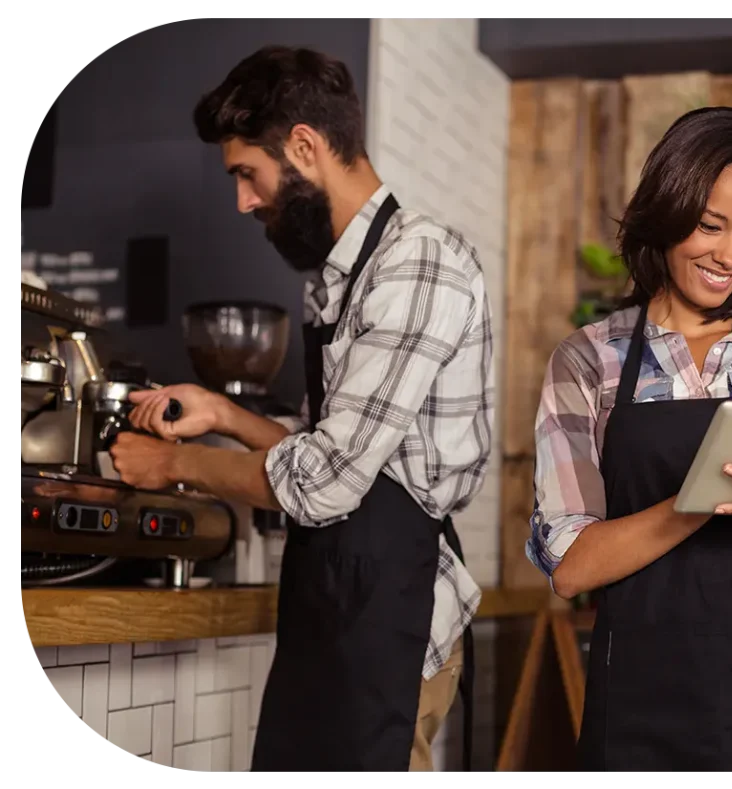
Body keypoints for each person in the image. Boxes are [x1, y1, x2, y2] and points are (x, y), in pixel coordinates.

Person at [110, 45, 494, 776]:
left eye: (246, 175)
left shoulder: (417, 263)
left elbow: (325, 481)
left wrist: (172, 464)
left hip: (394, 617)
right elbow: (332, 447)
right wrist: (221, 412)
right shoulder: (339, 278)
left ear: (305, 147)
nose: (243, 202)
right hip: (339, 609)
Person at [526, 106, 732, 776]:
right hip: (639, 703)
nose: (729, 255)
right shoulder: (589, 358)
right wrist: (705, 494)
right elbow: (571, 567)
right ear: (667, 206)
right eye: (710, 225)